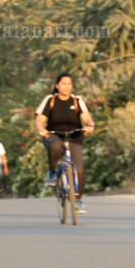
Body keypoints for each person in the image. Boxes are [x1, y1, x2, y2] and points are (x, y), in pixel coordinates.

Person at [35, 74, 96, 214]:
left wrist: (91, 125)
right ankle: (52, 171)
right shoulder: (50, 100)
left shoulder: (76, 100)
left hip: (74, 137)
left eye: (69, 83)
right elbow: (39, 120)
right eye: (63, 83)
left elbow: (87, 118)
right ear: (57, 85)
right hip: (53, 135)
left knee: (79, 169)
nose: (67, 86)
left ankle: (78, 200)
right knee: (56, 146)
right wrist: (42, 130)